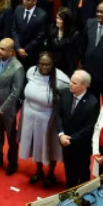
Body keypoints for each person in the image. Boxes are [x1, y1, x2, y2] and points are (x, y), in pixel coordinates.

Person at [19, 51, 69, 187]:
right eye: (41, 64)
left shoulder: (62, 81)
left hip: (49, 119)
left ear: (53, 64)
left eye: (48, 64)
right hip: (30, 116)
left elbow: (66, 102)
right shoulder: (31, 72)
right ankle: (39, 170)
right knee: (36, 144)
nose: (44, 67)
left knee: (50, 147)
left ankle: (51, 173)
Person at [0, 37, 26, 174]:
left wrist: (1, 109)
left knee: (11, 137)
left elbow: (15, 93)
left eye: (3, 49)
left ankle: (12, 162)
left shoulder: (18, 68)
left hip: (8, 110)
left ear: (11, 52)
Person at [41, 7, 83, 76]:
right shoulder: (52, 28)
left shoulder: (74, 34)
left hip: (66, 68)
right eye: (57, 18)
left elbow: (74, 56)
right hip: (53, 65)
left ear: (67, 20)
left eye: (61, 19)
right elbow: (48, 47)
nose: (58, 20)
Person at [13, 0, 48, 66]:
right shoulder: (18, 9)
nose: (24, 1)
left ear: (34, 2)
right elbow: (14, 30)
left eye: (28, 0)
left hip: (32, 52)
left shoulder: (42, 15)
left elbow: (40, 36)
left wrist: (25, 50)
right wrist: (18, 48)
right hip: (19, 50)